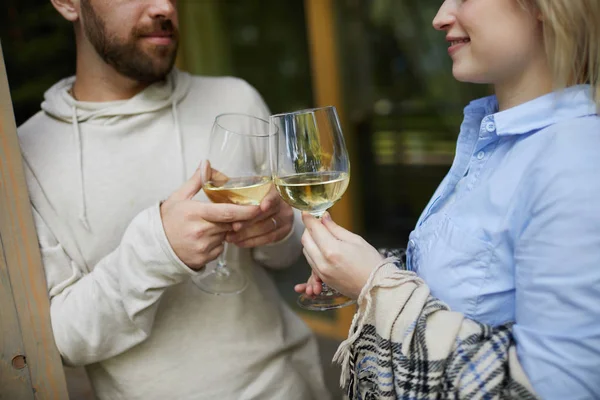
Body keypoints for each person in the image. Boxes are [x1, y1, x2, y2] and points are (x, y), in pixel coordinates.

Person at [17, 0, 331, 399]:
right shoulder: (24, 158)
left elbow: (286, 254)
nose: (165, 6)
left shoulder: (236, 100)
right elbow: (63, 342)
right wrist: (157, 250)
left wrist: (282, 226)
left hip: (288, 387)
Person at [296, 0, 600, 399]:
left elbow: (557, 390)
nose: (440, 18)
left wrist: (379, 286)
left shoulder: (575, 160)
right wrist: (364, 269)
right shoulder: (494, 139)